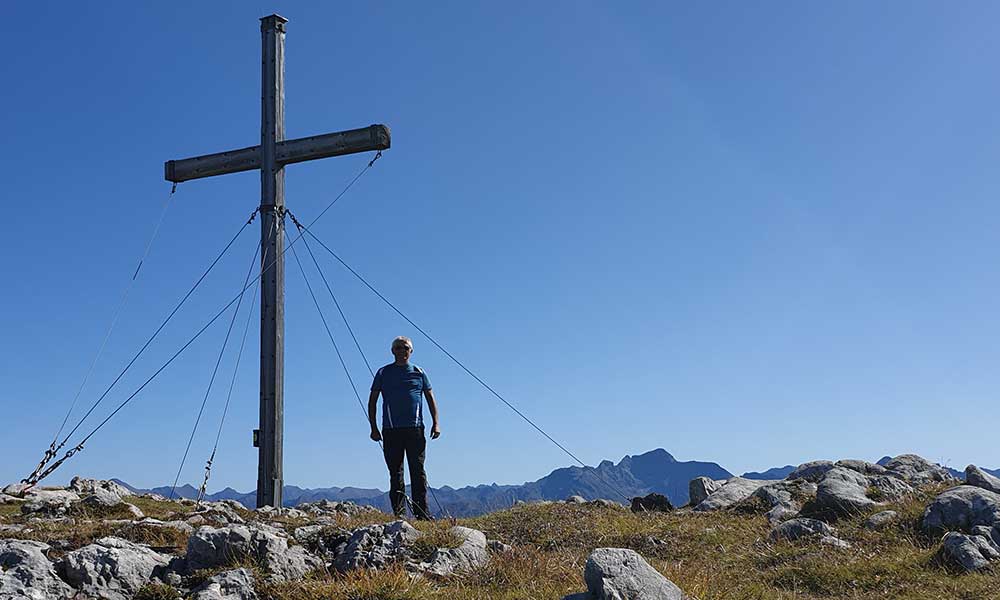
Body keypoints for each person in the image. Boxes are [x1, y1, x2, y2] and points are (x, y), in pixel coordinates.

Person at [368, 336, 440, 519]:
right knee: (396, 473)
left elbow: (430, 398)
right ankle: (399, 515)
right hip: (391, 430)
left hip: (415, 429)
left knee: (418, 471)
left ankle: (422, 514)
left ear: (411, 351)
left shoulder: (419, 372)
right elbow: (373, 400)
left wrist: (436, 423)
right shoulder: (383, 373)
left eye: (405, 348)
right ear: (393, 351)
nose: (402, 351)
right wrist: (373, 427)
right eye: (398, 348)